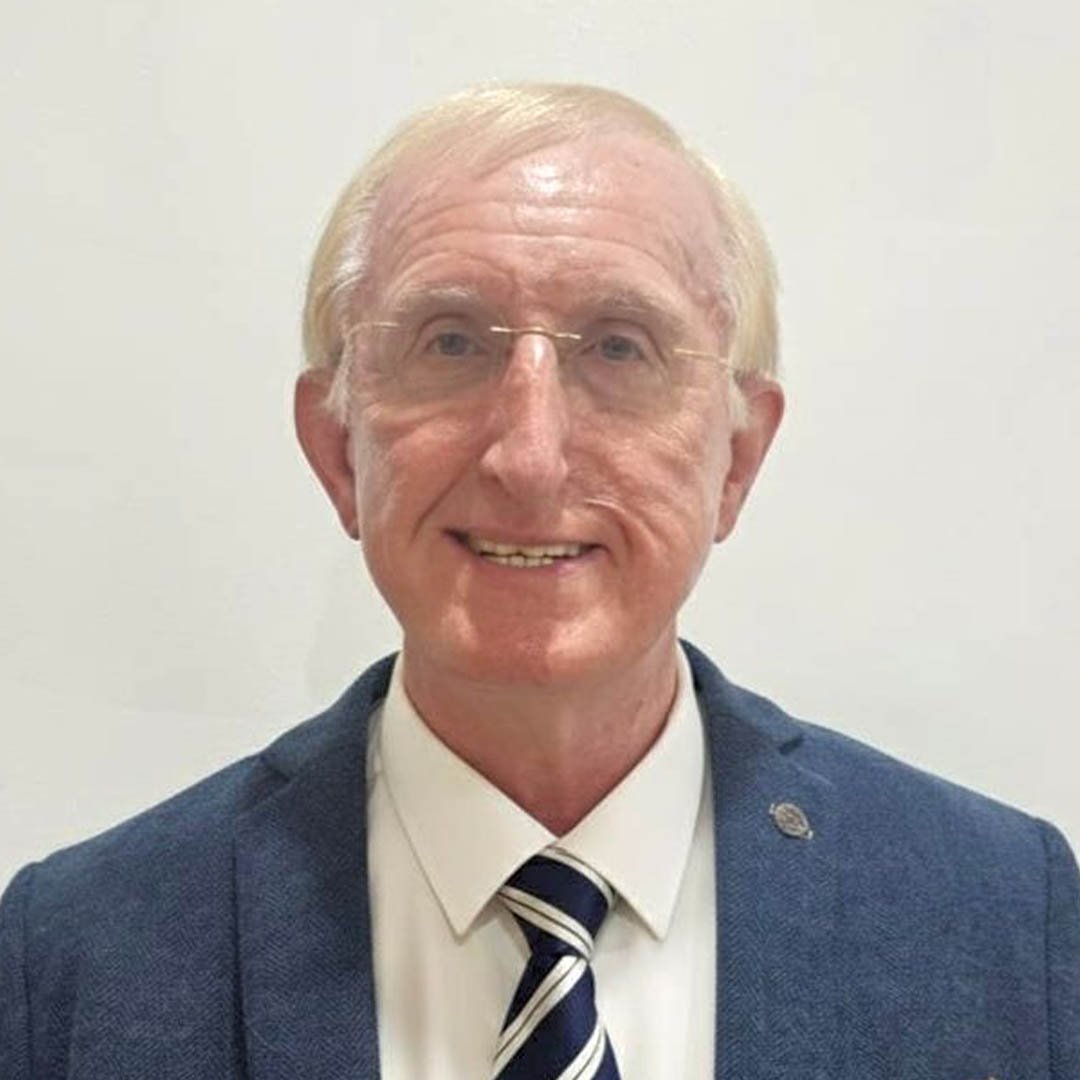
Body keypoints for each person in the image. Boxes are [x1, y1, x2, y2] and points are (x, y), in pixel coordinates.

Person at [1, 82, 1077, 1080]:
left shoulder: (1003, 919)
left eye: (619, 348)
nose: (530, 452)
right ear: (338, 451)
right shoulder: (77, 955)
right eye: (453, 340)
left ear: (736, 460)